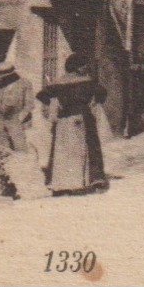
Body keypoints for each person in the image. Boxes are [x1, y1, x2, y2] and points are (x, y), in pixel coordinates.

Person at [36, 55, 108, 195]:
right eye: (83, 65)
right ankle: (91, 181)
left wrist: (49, 106)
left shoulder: (59, 82)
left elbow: (42, 95)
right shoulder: (87, 81)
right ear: (77, 67)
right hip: (83, 117)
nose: (85, 68)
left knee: (63, 151)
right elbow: (102, 93)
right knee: (90, 147)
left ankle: (62, 184)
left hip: (63, 120)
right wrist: (94, 102)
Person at [0, 59, 46, 200]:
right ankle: (5, 186)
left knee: (20, 153)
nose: (1, 79)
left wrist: (20, 119)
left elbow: (29, 105)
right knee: (2, 152)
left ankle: (24, 187)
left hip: (16, 121)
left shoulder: (24, 84)